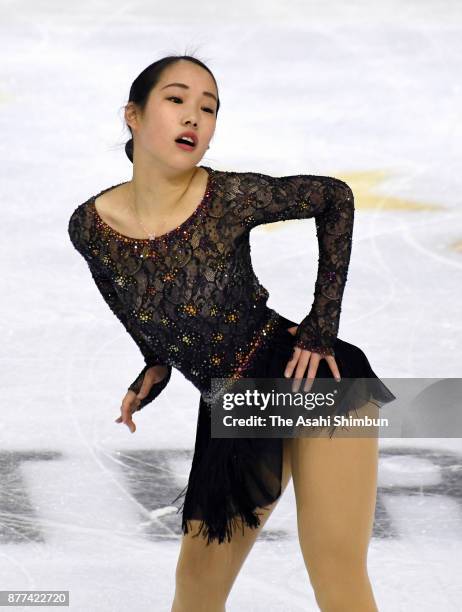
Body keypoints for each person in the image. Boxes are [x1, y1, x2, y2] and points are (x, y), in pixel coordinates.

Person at [68, 54, 396, 612]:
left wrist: (320, 328)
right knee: (195, 592)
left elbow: (334, 198)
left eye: (208, 108)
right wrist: (155, 361)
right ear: (134, 116)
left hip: (318, 380)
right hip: (234, 402)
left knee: (336, 571)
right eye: (176, 100)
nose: (193, 117)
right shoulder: (89, 227)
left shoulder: (226, 198)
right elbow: (129, 294)